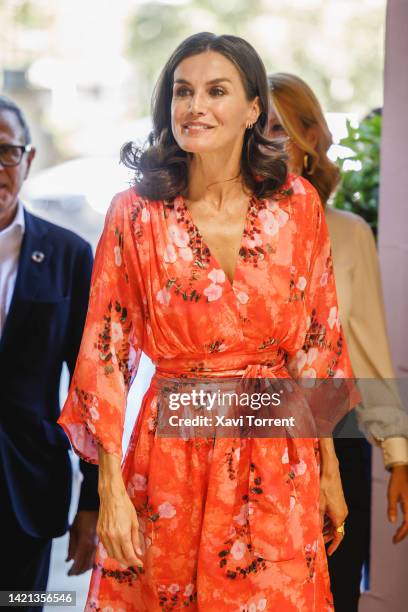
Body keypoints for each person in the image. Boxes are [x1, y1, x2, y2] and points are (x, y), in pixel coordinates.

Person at [58, 33, 359, 611]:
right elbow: (104, 354)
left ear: (253, 110)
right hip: (169, 461)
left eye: (215, 91)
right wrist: (109, 488)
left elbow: (319, 343)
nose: (194, 106)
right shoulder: (135, 212)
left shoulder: (296, 206)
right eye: (182, 91)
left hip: (278, 458)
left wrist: (330, 470)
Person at [267, 72, 408, 612]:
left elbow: (367, 350)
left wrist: (397, 458)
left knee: (331, 593)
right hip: (243, 434)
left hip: (335, 440)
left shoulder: (348, 233)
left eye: (280, 129)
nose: (267, 143)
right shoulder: (216, 226)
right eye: (257, 129)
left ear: (310, 141)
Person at [0, 96, 99, 609]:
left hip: (28, 495)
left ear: (28, 159)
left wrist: (93, 501)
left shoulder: (67, 255)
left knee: (18, 603)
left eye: (5, 153)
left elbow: (92, 387)